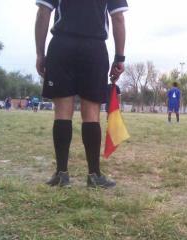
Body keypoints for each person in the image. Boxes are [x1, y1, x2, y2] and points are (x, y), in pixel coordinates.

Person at [35, 0, 128, 188]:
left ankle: (61, 174)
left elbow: (43, 13)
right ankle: (94, 175)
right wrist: (119, 57)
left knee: (62, 112)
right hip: (93, 49)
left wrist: (40, 53)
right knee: (91, 114)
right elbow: (118, 18)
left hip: (62, 46)